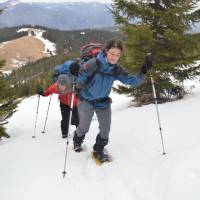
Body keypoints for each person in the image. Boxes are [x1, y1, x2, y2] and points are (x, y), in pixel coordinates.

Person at [73, 38, 152, 162]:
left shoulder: (116, 69)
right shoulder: (93, 64)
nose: (114, 57)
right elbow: (78, 81)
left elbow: (130, 81)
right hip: (86, 100)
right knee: (84, 127)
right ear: (106, 51)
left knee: (105, 129)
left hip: (103, 101)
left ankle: (98, 150)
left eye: (117, 55)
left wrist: (143, 71)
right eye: (112, 53)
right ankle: (77, 140)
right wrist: (75, 73)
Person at [37, 74, 79, 138]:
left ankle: (79, 133)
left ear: (67, 84)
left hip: (75, 104)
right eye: (60, 85)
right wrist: (42, 93)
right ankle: (65, 134)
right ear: (58, 84)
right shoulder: (55, 87)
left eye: (63, 85)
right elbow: (47, 92)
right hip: (64, 104)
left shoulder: (72, 87)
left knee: (77, 119)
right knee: (65, 119)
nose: (62, 87)